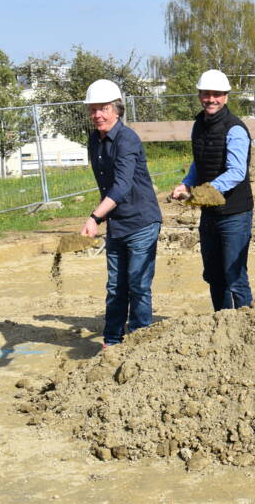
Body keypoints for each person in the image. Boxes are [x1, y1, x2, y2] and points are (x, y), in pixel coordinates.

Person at [79, 79, 162, 348]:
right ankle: (112, 341)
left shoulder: (127, 139)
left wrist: (95, 217)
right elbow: (105, 184)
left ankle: (139, 342)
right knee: (116, 287)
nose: (97, 115)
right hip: (117, 223)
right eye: (93, 110)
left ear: (117, 110)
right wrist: (103, 217)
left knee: (138, 285)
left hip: (141, 222)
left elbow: (122, 185)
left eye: (103, 108)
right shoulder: (94, 140)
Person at [170, 69, 253, 311]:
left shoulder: (235, 129)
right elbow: (200, 161)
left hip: (234, 214)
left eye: (216, 94)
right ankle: (221, 324)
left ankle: (245, 327)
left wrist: (203, 192)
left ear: (226, 97)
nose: (211, 99)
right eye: (206, 94)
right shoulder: (199, 125)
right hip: (209, 214)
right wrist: (187, 183)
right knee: (214, 276)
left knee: (235, 277)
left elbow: (236, 172)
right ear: (199, 96)